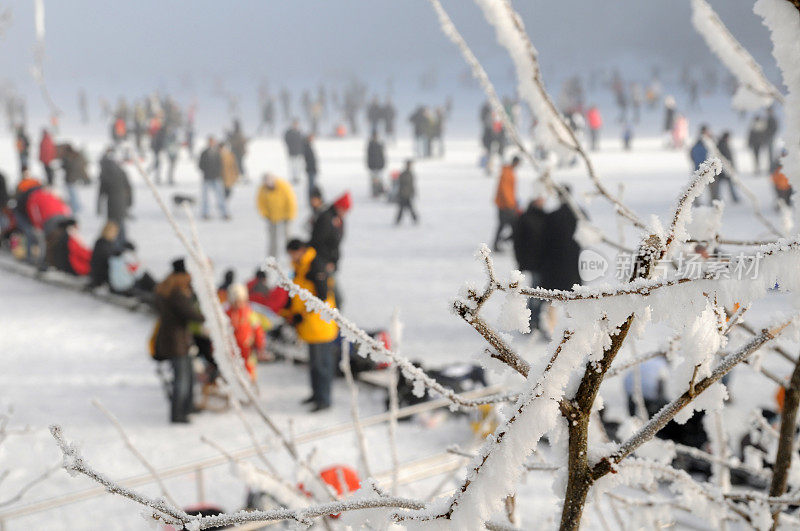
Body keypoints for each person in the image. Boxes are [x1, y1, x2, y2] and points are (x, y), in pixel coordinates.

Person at [284, 239, 339, 412]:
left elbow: (321, 297)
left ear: (300, 250)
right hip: (310, 325)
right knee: (314, 364)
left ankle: (324, 398)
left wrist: (303, 314)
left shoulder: (315, 265)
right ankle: (316, 394)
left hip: (319, 324)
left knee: (322, 364)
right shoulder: (300, 266)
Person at [154, 259, 205, 423]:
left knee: (188, 375)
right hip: (177, 341)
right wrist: (208, 316)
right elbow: (190, 313)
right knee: (182, 379)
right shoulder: (176, 293)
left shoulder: (168, 289)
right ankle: (177, 413)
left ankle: (188, 406)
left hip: (177, 340)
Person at [512, 191, 546, 333]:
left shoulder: (544, 217)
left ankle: (536, 320)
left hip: (542, 263)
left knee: (541, 292)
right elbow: (519, 241)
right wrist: (522, 261)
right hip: (536, 262)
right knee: (536, 291)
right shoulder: (528, 218)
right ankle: (532, 321)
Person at [226, 283, 266, 383]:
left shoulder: (249, 313)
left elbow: (257, 329)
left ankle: (250, 389)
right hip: (232, 350)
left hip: (248, 349)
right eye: (235, 301)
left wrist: (259, 345)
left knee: (249, 371)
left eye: (240, 301)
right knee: (233, 373)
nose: (238, 304)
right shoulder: (227, 314)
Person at [256, 173, 297, 258]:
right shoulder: (263, 189)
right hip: (272, 217)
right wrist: (265, 214)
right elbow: (260, 203)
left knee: (288, 236)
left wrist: (290, 215)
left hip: (285, 215)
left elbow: (291, 201)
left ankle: (292, 255)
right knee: (272, 239)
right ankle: (272, 257)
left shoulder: (283, 186)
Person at [97, 148, 132, 241]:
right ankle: (122, 241)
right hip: (122, 201)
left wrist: (98, 206)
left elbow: (101, 192)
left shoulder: (104, 174)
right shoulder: (121, 172)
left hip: (111, 203)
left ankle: (114, 242)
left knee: (112, 224)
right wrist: (129, 202)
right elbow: (128, 188)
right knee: (120, 223)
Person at [310, 192, 349, 271]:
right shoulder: (328, 219)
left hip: (327, 260)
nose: (345, 213)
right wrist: (328, 262)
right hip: (323, 262)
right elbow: (320, 241)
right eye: (344, 210)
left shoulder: (336, 219)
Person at [198, 136, 230, 220]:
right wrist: (206, 171)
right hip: (207, 178)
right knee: (206, 197)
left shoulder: (218, 152)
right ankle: (206, 213)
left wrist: (218, 172)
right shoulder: (204, 153)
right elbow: (200, 165)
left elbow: (221, 164)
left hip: (216, 177)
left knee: (220, 196)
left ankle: (224, 213)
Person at [493, 156, 520, 251]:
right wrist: (510, 204)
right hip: (505, 205)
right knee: (506, 224)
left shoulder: (509, 171)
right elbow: (504, 190)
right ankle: (498, 243)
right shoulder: (507, 173)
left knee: (509, 225)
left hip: (507, 204)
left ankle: (504, 242)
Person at [89, 220, 123, 289]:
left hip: (107, 271)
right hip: (102, 274)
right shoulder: (101, 243)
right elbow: (106, 257)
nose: (115, 234)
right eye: (113, 231)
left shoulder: (110, 243)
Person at [61, 144, 90, 215]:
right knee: (73, 193)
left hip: (70, 178)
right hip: (73, 178)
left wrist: (64, 164)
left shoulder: (70, 157)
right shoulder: (77, 156)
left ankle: (76, 208)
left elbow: (70, 167)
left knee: (72, 194)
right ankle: (76, 207)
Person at [713, 131, 739, 204]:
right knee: (727, 184)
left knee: (723, 185)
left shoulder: (722, 144)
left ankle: (718, 197)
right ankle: (733, 197)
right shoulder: (722, 145)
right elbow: (725, 157)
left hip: (725, 168)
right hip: (724, 169)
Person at [395, 159, 418, 225]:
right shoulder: (404, 174)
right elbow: (400, 184)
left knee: (406, 208)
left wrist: (413, 192)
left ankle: (414, 219)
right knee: (404, 208)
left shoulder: (410, 174)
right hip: (403, 194)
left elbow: (411, 185)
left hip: (407, 194)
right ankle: (415, 219)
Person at [366, 132, 386, 198]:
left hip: (379, 165)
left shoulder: (380, 145)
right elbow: (368, 156)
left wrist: (383, 163)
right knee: (374, 180)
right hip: (373, 166)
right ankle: (375, 192)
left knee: (380, 180)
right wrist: (369, 165)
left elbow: (382, 155)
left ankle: (379, 191)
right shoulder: (370, 145)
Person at [303, 134, 318, 203]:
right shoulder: (306, 146)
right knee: (311, 185)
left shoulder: (308, 146)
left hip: (312, 168)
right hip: (310, 169)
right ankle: (311, 198)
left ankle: (313, 198)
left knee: (312, 184)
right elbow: (308, 159)